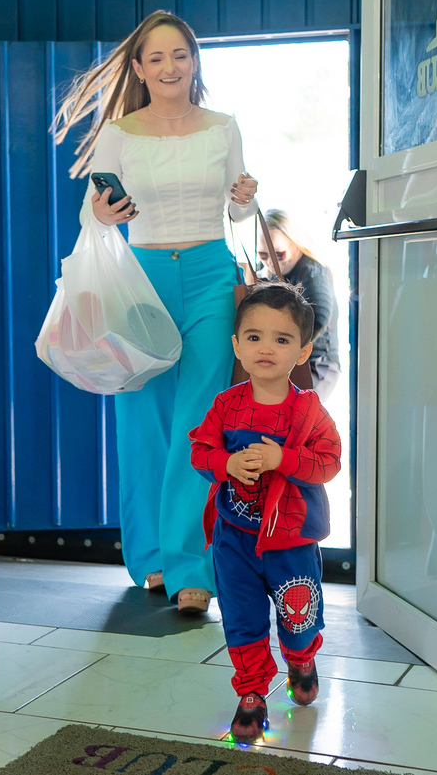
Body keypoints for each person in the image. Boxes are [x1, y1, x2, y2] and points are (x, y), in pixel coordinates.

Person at [51, 11, 259, 614]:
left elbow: (239, 214)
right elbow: (94, 215)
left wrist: (246, 201)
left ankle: (192, 564)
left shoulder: (224, 128)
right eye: (157, 58)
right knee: (142, 416)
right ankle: (149, 556)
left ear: (195, 63)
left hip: (209, 275)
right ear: (139, 69)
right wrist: (103, 215)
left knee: (200, 420)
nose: (171, 67)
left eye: (182, 56)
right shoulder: (119, 133)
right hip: (138, 278)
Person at [188, 282, 342, 743]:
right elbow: (200, 450)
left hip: (291, 543)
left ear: (302, 351)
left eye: (281, 339)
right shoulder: (226, 405)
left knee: (296, 622)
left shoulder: (309, 411)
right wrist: (227, 463)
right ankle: (252, 693)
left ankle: (300, 657)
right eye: (253, 337)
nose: (265, 348)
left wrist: (283, 461)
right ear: (236, 346)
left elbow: (330, 463)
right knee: (241, 619)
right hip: (235, 540)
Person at [257, 210, 341, 401]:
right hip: (292, 360)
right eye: (263, 255)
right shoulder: (273, 269)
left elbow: (319, 317)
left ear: (296, 245)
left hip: (317, 364)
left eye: (279, 254)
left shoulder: (312, 271)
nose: (270, 262)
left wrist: (281, 348)